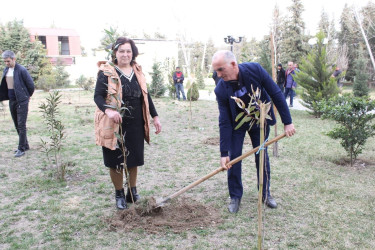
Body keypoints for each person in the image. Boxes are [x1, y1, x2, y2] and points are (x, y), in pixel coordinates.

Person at [212, 50, 296, 213]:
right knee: (234, 158)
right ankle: (235, 196)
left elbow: (276, 93)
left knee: (262, 156)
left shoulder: (254, 70)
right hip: (237, 124)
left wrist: (288, 122)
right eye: (216, 70)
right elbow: (224, 121)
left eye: (221, 69)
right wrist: (224, 152)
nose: (218, 74)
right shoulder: (221, 89)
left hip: (260, 120)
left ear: (233, 64)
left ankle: (265, 193)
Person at [94, 37, 162, 210]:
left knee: (133, 159)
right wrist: (108, 110)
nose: (125, 54)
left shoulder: (137, 71)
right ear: (115, 53)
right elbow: (98, 96)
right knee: (115, 160)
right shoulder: (107, 72)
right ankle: (119, 193)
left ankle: (132, 192)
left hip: (136, 123)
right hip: (114, 123)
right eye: (122, 51)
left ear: (133, 53)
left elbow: (145, 96)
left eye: (128, 51)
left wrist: (155, 117)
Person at [0, 50, 34, 157]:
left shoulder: (21, 70)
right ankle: (25, 145)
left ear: (14, 59)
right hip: (12, 100)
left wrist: (26, 97)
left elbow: (31, 85)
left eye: (8, 61)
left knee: (21, 125)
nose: (6, 63)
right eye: (5, 61)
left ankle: (21, 148)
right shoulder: (6, 70)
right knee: (16, 124)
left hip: (22, 101)